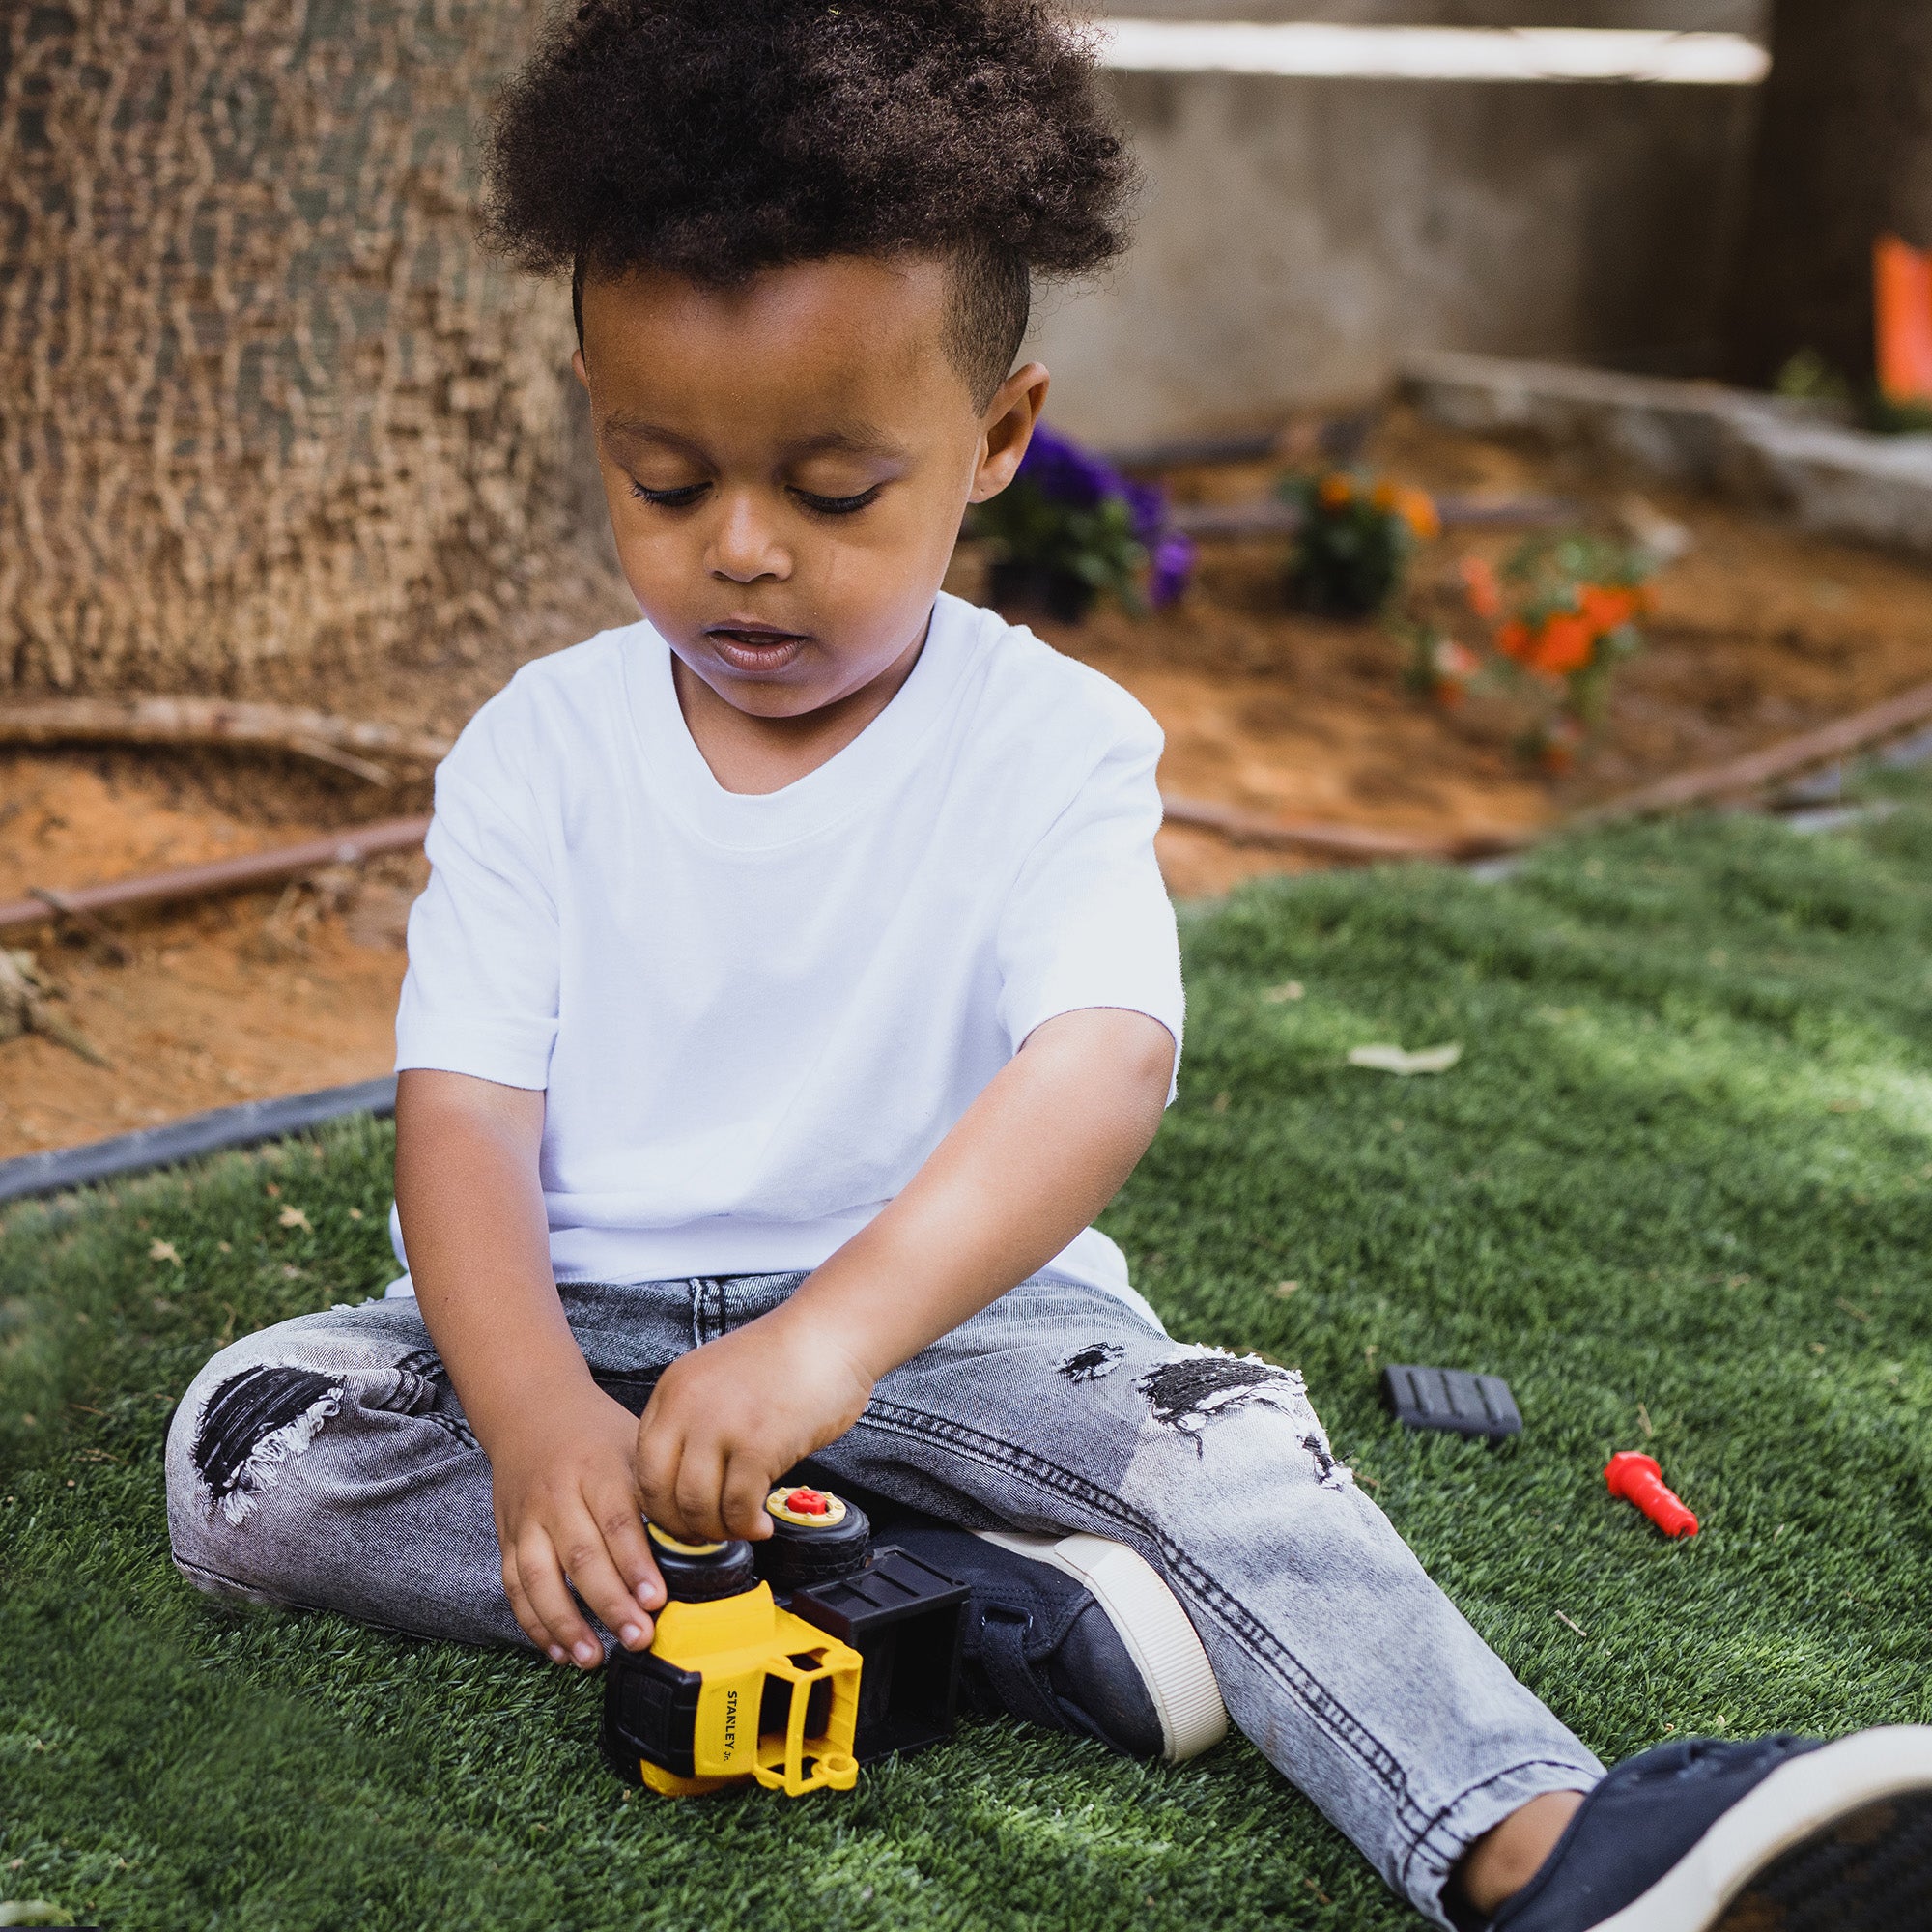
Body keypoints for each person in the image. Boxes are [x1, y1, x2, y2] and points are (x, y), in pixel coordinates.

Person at [163, 4, 1932, 1926]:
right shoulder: (536, 745)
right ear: (594, 407)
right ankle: (975, 1607)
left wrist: (827, 1336)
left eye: (833, 490)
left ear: (997, 434)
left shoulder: (1052, 742)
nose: (739, 551)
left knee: (1225, 1449)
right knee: (247, 1455)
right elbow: (463, 1117)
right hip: (578, 1325)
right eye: (664, 480)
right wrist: (528, 1421)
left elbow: (1101, 1059)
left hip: (951, 1339)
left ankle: (1537, 1842)